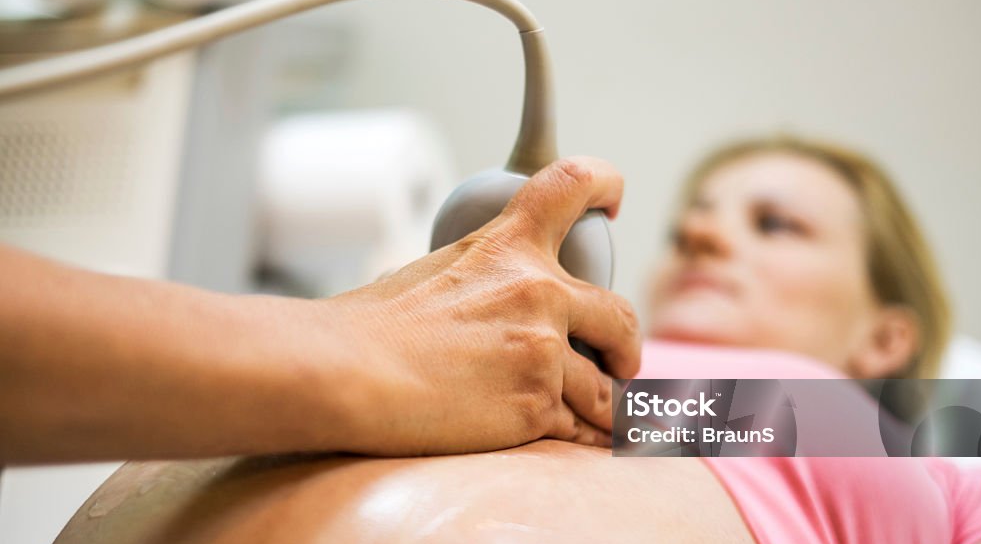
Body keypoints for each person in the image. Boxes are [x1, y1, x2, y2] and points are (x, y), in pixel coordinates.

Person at [11, 137, 981, 544]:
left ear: (885, 335)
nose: (705, 234)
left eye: (777, 224)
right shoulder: (486, 332)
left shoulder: (948, 433)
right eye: (692, 221)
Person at [0, 157, 641, 464]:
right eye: (687, 223)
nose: (705, 236)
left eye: (750, 224)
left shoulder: (709, 390)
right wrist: (380, 338)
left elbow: (743, 421)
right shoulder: (509, 326)